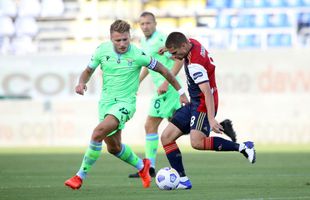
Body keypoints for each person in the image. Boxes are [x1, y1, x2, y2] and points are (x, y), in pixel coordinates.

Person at [64, 20, 188, 190]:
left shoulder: (138, 54)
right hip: (106, 104)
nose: (122, 44)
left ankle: (79, 176)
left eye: (125, 39)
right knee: (114, 148)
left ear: (130, 37)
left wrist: (181, 92)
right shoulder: (102, 50)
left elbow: (164, 70)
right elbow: (88, 71)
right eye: (118, 40)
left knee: (97, 132)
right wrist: (81, 83)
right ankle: (141, 166)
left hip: (125, 104)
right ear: (111, 39)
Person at [160, 32, 256, 190]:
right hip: (195, 101)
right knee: (166, 137)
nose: (174, 56)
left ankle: (244, 147)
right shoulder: (191, 43)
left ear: (183, 46)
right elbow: (180, 42)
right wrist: (167, 48)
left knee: (196, 142)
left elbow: (207, 93)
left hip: (203, 104)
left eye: (175, 53)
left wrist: (211, 119)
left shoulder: (195, 65)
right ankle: (183, 180)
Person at [128, 12, 184, 178]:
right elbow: (148, 64)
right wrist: (137, 82)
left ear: (155, 23)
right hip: (161, 91)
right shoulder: (144, 41)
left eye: (148, 23)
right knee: (160, 126)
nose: (145, 26)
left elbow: (179, 59)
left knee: (162, 126)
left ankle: (150, 167)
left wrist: (167, 82)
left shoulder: (162, 40)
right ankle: (149, 167)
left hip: (168, 90)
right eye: (142, 24)